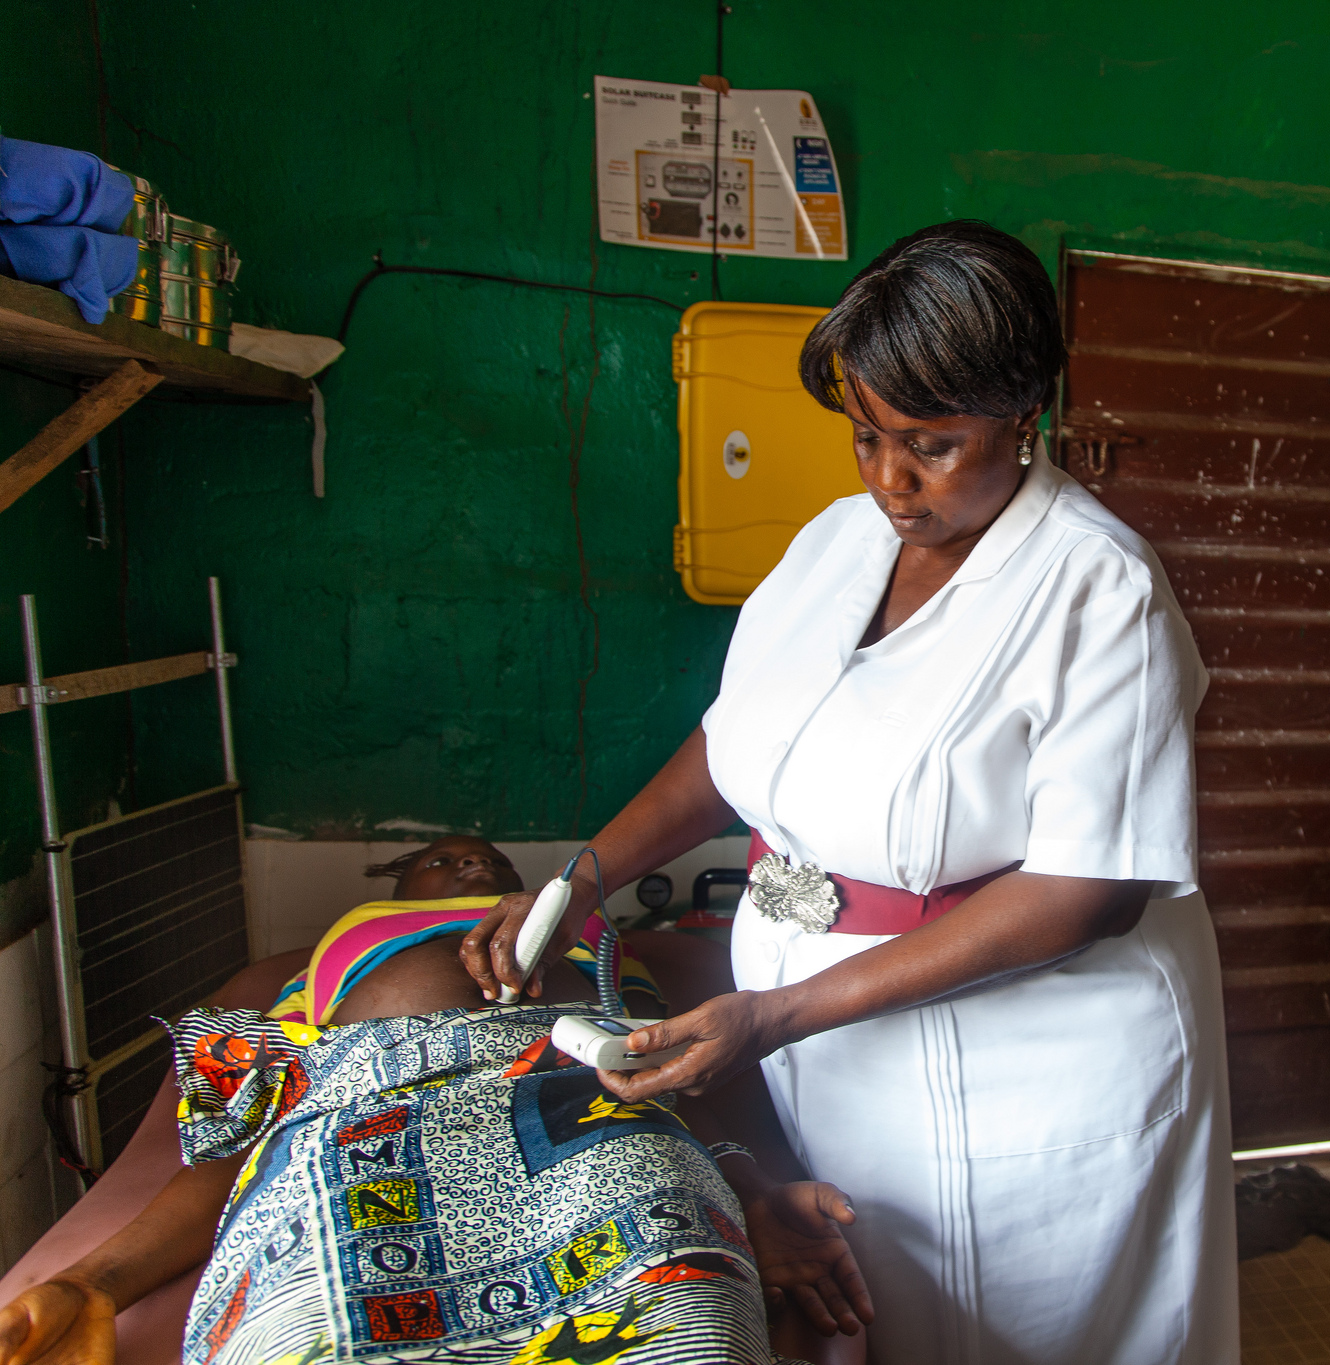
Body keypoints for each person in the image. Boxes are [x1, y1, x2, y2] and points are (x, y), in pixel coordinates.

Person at [465, 222, 1238, 1364]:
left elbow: (1089, 889)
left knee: (1026, 1330)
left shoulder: (1098, 589)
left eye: (930, 443)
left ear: (1023, 413)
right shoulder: (834, 544)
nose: (888, 478)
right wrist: (579, 880)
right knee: (882, 1313)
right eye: (866, 436)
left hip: (1030, 1072)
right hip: (835, 1049)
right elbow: (737, 745)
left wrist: (771, 1017)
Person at [0, 836, 871, 1365]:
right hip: (371, 1095)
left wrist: (754, 1194)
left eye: (491, 864)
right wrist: (93, 1282)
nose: (471, 866)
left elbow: (676, 1086)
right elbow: (254, 1142)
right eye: (441, 861)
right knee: (313, 1331)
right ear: (389, 898)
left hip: (592, 1101)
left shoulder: (588, 934)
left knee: (687, 1320)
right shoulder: (342, 948)